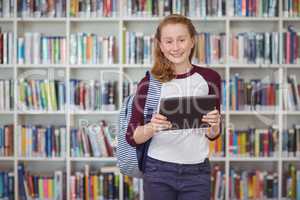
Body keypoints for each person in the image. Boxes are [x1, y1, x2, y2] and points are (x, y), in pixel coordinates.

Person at [126, 14, 222, 200]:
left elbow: (213, 134)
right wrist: (153, 127)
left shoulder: (210, 78)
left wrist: (215, 124)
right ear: (160, 45)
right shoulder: (149, 83)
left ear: (192, 41)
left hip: (197, 171)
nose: (176, 47)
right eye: (169, 41)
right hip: (158, 170)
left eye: (182, 40)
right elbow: (132, 137)